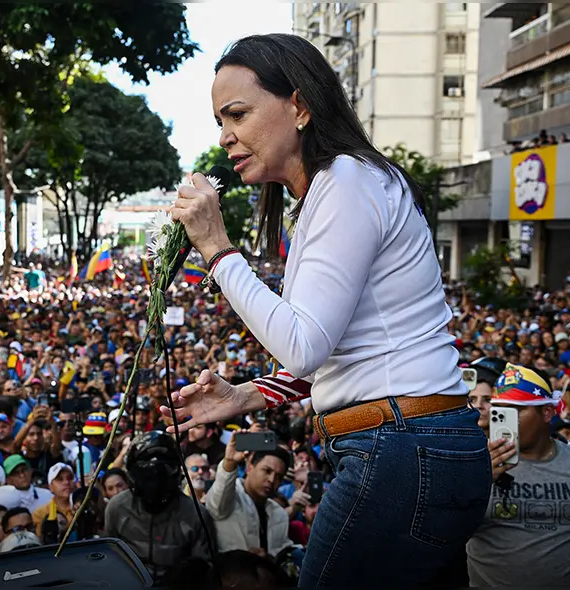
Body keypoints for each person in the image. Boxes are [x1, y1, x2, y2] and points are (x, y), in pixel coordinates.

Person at [167, 33, 491, 586]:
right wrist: (249, 394)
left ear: (299, 105)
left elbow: (304, 344)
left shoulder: (346, 180)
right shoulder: (336, 188)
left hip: (400, 451)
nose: (225, 138)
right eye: (221, 121)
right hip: (419, 448)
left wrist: (217, 248)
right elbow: (341, 352)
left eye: (237, 114)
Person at [466, 364, 570, 586]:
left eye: (516, 410)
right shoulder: (473, 461)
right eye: (499, 411)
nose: (504, 421)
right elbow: (443, 532)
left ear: (547, 412)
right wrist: (478, 482)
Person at [104, 431, 213, 585]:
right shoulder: (117, 508)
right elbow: (109, 558)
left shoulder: (195, 514)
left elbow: (203, 570)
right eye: (147, 478)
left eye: (161, 477)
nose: (154, 485)